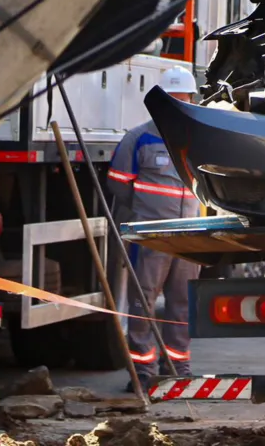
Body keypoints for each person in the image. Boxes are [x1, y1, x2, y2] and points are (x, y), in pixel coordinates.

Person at [108, 65, 203, 392]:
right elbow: (119, 184)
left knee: (182, 303)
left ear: (192, 99)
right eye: (172, 98)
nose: (179, 104)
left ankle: (178, 368)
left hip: (189, 237)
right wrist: (146, 214)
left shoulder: (199, 138)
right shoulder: (138, 138)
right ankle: (143, 371)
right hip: (152, 237)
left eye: (183, 98)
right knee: (143, 302)